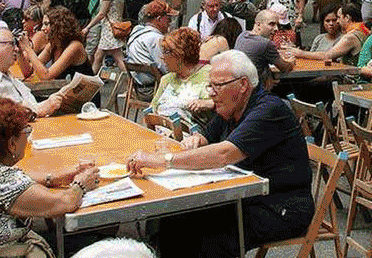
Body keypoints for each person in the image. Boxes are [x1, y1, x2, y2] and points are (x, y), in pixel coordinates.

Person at [126, 50, 315, 258]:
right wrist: (197, 140)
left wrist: (162, 160)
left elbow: (224, 154)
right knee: (174, 219)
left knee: (208, 236)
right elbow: (208, 136)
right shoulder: (231, 106)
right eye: (210, 85)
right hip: (244, 197)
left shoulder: (269, 110)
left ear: (243, 85)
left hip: (281, 207)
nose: (211, 92)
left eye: (217, 85)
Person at [0, 99, 100, 258]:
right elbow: (64, 202)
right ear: (12, 144)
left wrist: (53, 178)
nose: (28, 138)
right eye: (26, 132)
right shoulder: (5, 183)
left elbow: (15, 182)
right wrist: (81, 183)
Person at [0, 28, 66, 124]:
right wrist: (38, 111)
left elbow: (30, 107)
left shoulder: (7, 77)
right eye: (11, 44)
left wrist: (49, 103)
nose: (17, 49)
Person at [150, 27, 212, 129]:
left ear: (179, 54)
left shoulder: (209, 75)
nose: (162, 57)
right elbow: (152, 110)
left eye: (166, 52)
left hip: (191, 140)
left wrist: (207, 103)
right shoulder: (167, 79)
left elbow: (225, 106)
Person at [16, 7, 93, 81]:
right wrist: (19, 51)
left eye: (46, 24)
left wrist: (28, 49)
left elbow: (46, 76)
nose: (42, 28)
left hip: (84, 93)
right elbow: (28, 72)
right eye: (42, 25)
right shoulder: (53, 45)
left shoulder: (75, 46)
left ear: (58, 26)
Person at [284, 4, 366, 63]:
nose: (337, 21)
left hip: (348, 81)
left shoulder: (350, 37)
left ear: (347, 18)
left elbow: (327, 56)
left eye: (338, 17)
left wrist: (300, 53)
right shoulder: (360, 32)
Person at [84, 0, 128, 75]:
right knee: (98, 57)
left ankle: (131, 84)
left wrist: (88, 27)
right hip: (115, 27)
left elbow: (101, 14)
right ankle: (90, 83)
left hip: (109, 30)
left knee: (118, 59)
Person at [234, 7, 293, 84]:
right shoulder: (265, 43)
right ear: (258, 24)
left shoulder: (242, 35)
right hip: (256, 90)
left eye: (277, 25)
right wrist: (292, 61)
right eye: (271, 24)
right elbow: (285, 68)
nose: (276, 29)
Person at [126, 0, 172, 92]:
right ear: (159, 19)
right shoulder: (156, 38)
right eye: (168, 18)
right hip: (153, 90)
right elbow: (166, 68)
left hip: (137, 87)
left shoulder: (136, 32)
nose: (170, 22)